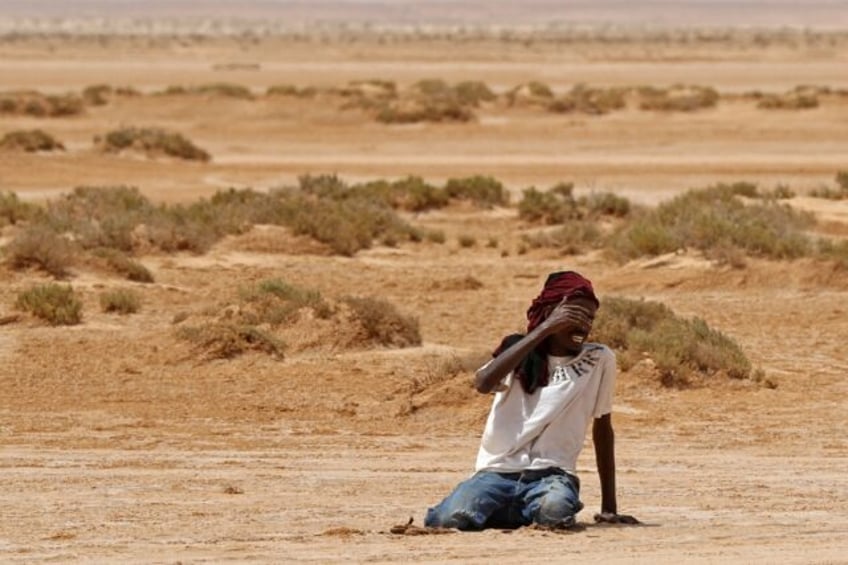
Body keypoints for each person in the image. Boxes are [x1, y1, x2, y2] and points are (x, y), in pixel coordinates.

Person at [424, 270, 639, 530]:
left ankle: (509, 509)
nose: (584, 326)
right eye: (574, 316)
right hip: (496, 472)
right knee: (449, 519)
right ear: (550, 312)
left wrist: (609, 509)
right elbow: (483, 383)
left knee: (554, 512)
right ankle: (508, 507)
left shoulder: (599, 359)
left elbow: (603, 429)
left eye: (589, 318)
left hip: (553, 475)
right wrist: (544, 330)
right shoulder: (517, 352)